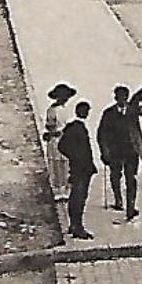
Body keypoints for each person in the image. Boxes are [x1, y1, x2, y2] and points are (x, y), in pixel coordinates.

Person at [96, 85, 142, 221]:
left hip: (131, 151)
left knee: (131, 179)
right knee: (115, 176)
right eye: (118, 98)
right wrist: (104, 152)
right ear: (115, 98)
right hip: (115, 151)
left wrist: (140, 106)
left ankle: (130, 208)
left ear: (127, 98)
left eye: (123, 98)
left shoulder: (133, 110)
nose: (121, 100)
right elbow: (102, 134)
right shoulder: (108, 113)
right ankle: (118, 200)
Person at [40, 83, 77, 244]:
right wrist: (55, 132)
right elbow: (50, 127)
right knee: (56, 164)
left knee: (66, 163)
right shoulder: (52, 111)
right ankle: (58, 189)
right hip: (56, 140)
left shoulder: (66, 110)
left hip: (66, 139)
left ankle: (65, 189)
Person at [56, 100, 97, 239]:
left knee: (77, 197)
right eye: (86, 111)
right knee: (78, 198)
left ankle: (74, 225)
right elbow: (62, 146)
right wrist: (76, 157)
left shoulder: (75, 127)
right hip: (80, 169)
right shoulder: (76, 127)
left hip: (82, 168)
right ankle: (76, 226)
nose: (86, 113)